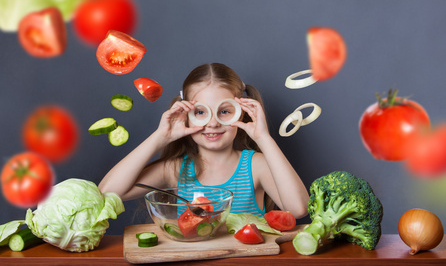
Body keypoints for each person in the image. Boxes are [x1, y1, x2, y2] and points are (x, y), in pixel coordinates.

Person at [99, 63, 309, 218]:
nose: (213, 123)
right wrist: (160, 137)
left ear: (241, 113)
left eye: (225, 111)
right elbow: (106, 192)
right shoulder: (174, 170)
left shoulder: (256, 166)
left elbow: (299, 208)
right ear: (185, 114)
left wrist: (263, 138)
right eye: (200, 112)